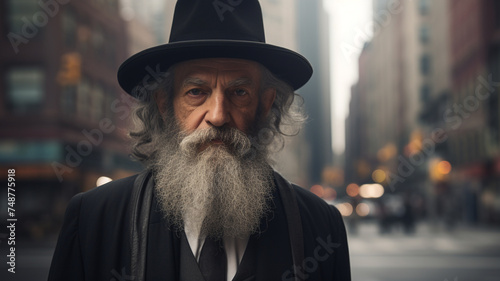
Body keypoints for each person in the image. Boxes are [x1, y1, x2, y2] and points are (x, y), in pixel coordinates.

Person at [48, 0, 351, 280]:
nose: (218, 116)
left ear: (266, 104)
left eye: (239, 92)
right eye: (196, 92)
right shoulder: (93, 219)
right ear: (165, 104)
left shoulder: (321, 226)